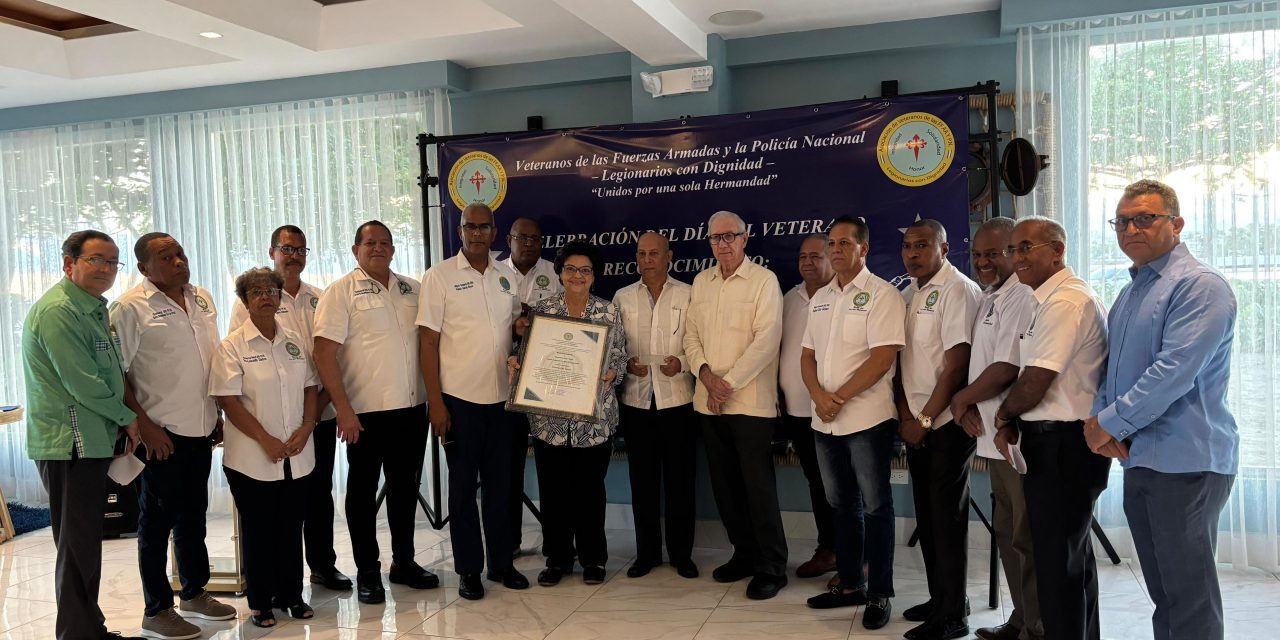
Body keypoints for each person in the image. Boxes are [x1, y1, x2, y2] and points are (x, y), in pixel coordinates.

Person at [1085, 180, 1238, 640]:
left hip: (1185, 460)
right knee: (1165, 591)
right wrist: (1099, 418)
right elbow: (1110, 367)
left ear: (1177, 223)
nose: (1132, 228)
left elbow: (1172, 373)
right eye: (1123, 220)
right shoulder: (1132, 290)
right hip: (1141, 456)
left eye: (1145, 218)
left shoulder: (1199, 286)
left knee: (1187, 594)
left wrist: (1104, 424)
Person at [111, 232, 237, 640]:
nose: (179, 261)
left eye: (180, 252)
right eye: (166, 257)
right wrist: (145, 425)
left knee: (192, 514)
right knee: (156, 521)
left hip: (199, 426)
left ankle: (194, 592)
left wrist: (215, 411)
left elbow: (207, 360)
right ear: (145, 267)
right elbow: (118, 373)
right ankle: (157, 608)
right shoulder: (131, 308)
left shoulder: (201, 297)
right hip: (160, 432)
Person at [23, 230, 143, 640]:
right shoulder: (58, 311)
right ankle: (77, 634)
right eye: (96, 260)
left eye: (113, 262)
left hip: (92, 439)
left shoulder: (93, 310)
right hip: (68, 443)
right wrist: (128, 417)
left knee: (86, 543)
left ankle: (90, 627)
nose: (106, 269)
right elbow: (83, 383)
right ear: (68, 262)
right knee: (76, 548)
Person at [993, 217, 1109, 640]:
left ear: (1057, 250)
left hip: (1062, 445)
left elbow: (1036, 378)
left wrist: (1003, 417)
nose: (1016, 258)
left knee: (1057, 568)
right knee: (1070, 561)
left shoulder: (1065, 302)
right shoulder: (1047, 299)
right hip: (1057, 444)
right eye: (1013, 249)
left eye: (1026, 247)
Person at [313, 220, 438, 604]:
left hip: (412, 409)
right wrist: (344, 410)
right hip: (363, 415)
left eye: (385, 242)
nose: (378, 248)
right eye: (370, 243)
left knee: (404, 491)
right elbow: (323, 352)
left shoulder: (411, 289)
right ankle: (368, 569)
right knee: (362, 495)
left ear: (394, 249)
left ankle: (404, 562)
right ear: (355, 250)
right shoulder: (340, 292)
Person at [228, 225, 350, 592]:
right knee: (272, 504)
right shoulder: (249, 301)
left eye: (300, 249)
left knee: (316, 493)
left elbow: (331, 356)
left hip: (317, 415)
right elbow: (240, 358)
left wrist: (316, 413)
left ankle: (322, 566)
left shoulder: (321, 297)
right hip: (268, 422)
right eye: (286, 248)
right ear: (272, 252)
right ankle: (271, 577)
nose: (293, 255)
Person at [418, 203, 530, 601]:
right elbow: (428, 342)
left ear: (495, 231)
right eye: (470, 226)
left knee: (502, 487)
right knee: (463, 491)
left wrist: (522, 326)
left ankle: (501, 563)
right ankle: (468, 570)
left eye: (484, 227)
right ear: (460, 229)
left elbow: (515, 327)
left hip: (504, 401)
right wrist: (436, 402)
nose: (477, 233)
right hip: (459, 401)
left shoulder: (505, 277)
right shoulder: (440, 276)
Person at [799, 217, 904, 631]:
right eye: (832, 243)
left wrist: (837, 398)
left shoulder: (883, 296)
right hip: (823, 422)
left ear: (863, 247)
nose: (836, 250)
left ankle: (879, 592)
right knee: (841, 505)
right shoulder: (821, 297)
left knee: (876, 508)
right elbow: (806, 357)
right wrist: (819, 398)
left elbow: (883, 359)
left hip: (866, 420)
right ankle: (849, 585)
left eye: (845, 243)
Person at [684, 210, 788, 600]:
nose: (723, 243)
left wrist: (726, 385)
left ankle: (772, 566)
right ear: (709, 242)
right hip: (707, 403)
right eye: (716, 238)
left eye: (730, 236)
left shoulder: (764, 281)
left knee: (757, 488)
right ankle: (743, 554)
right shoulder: (701, 281)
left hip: (751, 405)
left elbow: (766, 341)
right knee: (725, 488)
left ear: (746, 239)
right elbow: (690, 337)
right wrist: (707, 376)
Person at [511, 240, 627, 587]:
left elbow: (620, 356)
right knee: (554, 492)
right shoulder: (543, 311)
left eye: (585, 270)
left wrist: (613, 374)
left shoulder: (609, 313)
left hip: (594, 420)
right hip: (550, 422)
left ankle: (593, 560)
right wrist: (517, 363)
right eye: (571, 269)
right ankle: (557, 559)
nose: (578, 276)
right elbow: (527, 353)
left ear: (594, 276)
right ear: (560, 273)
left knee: (590, 492)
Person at [210, 268, 320, 628]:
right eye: (256, 292)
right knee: (260, 531)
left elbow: (309, 387)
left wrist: (307, 428)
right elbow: (228, 400)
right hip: (252, 459)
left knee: (291, 527)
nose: (265, 297)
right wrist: (265, 439)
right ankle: (260, 602)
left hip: (297, 455)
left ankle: (291, 595)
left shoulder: (293, 341)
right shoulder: (232, 346)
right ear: (244, 300)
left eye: (271, 290)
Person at [949, 218, 1041, 640]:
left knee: (1026, 538)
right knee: (1006, 534)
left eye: (995, 253)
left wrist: (962, 399)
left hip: (1014, 438)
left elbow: (1006, 368)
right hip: (989, 438)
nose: (984, 262)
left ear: (1014, 252)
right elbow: (982, 362)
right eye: (979, 254)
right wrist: (968, 403)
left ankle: (1035, 628)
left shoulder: (1020, 295)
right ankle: (1020, 621)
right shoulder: (989, 296)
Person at [894, 218, 982, 640]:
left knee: (946, 520)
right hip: (917, 425)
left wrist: (925, 419)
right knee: (928, 518)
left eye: (923, 245)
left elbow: (957, 365)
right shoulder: (910, 292)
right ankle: (941, 598)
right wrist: (907, 417)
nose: (913, 253)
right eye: (908, 246)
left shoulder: (957, 290)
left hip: (944, 425)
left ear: (944, 250)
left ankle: (954, 617)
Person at [613, 232, 698, 579]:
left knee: (681, 482)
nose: (647, 259)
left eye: (654, 253)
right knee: (643, 481)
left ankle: (682, 555)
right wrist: (624, 365)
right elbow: (613, 345)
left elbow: (699, 342)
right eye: (641, 253)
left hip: (678, 399)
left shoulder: (689, 294)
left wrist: (684, 363)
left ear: (669, 257)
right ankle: (646, 553)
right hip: (636, 400)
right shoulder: (622, 297)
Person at [779, 233, 838, 584]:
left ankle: (852, 554)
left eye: (815, 256)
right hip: (797, 412)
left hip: (833, 410)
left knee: (841, 486)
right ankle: (828, 548)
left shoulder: (842, 298)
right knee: (816, 482)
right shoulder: (790, 299)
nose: (807, 263)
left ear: (832, 257)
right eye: (803, 257)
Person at [501, 216, 561, 557]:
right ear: (509, 239)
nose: (529, 244)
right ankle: (509, 541)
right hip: (504, 385)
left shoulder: (557, 274)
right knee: (508, 467)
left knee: (553, 468)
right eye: (522, 238)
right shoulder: (493, 276)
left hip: (549, 384)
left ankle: (558, 544)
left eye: (535, 239)